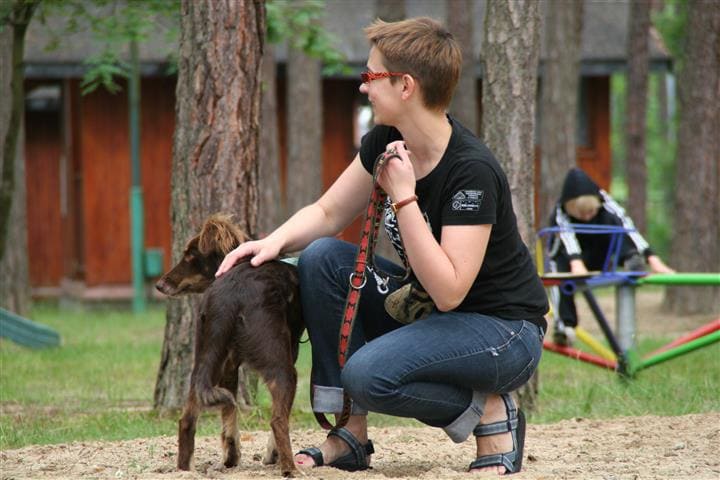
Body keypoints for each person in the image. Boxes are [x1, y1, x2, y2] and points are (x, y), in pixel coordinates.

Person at [216, 17, 548, 475]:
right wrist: (268, 243)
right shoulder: (386, 142)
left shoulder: (471, 172)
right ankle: (350, 434)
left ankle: (490, 410)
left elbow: (451, 289)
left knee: (369, 375)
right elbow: (329, 213)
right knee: (323, 259)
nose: (363, 88)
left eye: (370, 77)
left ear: (405, 85)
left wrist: (405, 197)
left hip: (502, 331)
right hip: (432, 312)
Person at [547, 167, 674, 345]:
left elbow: (627, 225)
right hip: (568, 259)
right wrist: (576, 263)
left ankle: (630, 258)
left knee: (614, 224)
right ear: (570, 208)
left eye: (590, 212)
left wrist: (652, 258)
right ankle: (565, 328)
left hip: (599, 255)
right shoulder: (561, 210)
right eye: (580, 215)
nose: (586, 217)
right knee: (560, 281)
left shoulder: (605, 201)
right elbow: (567, 236)